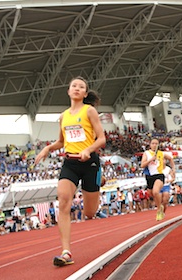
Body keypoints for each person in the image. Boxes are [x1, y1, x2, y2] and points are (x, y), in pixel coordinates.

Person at [35, 76, 106, 267]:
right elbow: (61, 141)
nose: (76, 88)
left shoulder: (89, 111)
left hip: (89, 162)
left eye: (81, 87)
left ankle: (98, 181)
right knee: (63, 200)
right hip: (70, 163)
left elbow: (101, 139)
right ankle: (66, 252)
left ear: (84, 93)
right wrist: (47, 148)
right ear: (68, 91)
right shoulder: (63, 116)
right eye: (73, 85)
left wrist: (88, 150)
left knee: (90, 213)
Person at [141, 138, 175, 221]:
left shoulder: (161, 153)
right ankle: (160, 206)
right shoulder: (146, 153)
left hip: (159, 175)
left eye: (156, 144)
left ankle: (159, 209)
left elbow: (170, 158)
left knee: (156, 191)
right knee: (152, 194)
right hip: (149, 176)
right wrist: (150, 160)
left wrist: (173, 168)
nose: (154, 145)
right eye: (153, 143)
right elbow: (142, 165)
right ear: (150, 144)